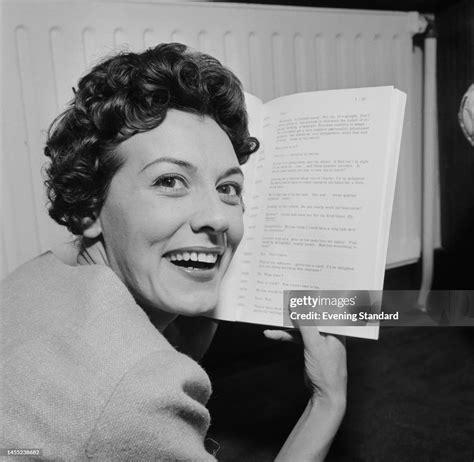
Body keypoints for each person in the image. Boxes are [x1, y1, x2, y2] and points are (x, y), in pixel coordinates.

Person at [0, 43, 346, 461]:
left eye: (227, 188)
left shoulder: (41, 274)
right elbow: (125, 394)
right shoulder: (139, 394)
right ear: (91, 204)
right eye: (169, 181)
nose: (217, 218)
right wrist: (325, 403)